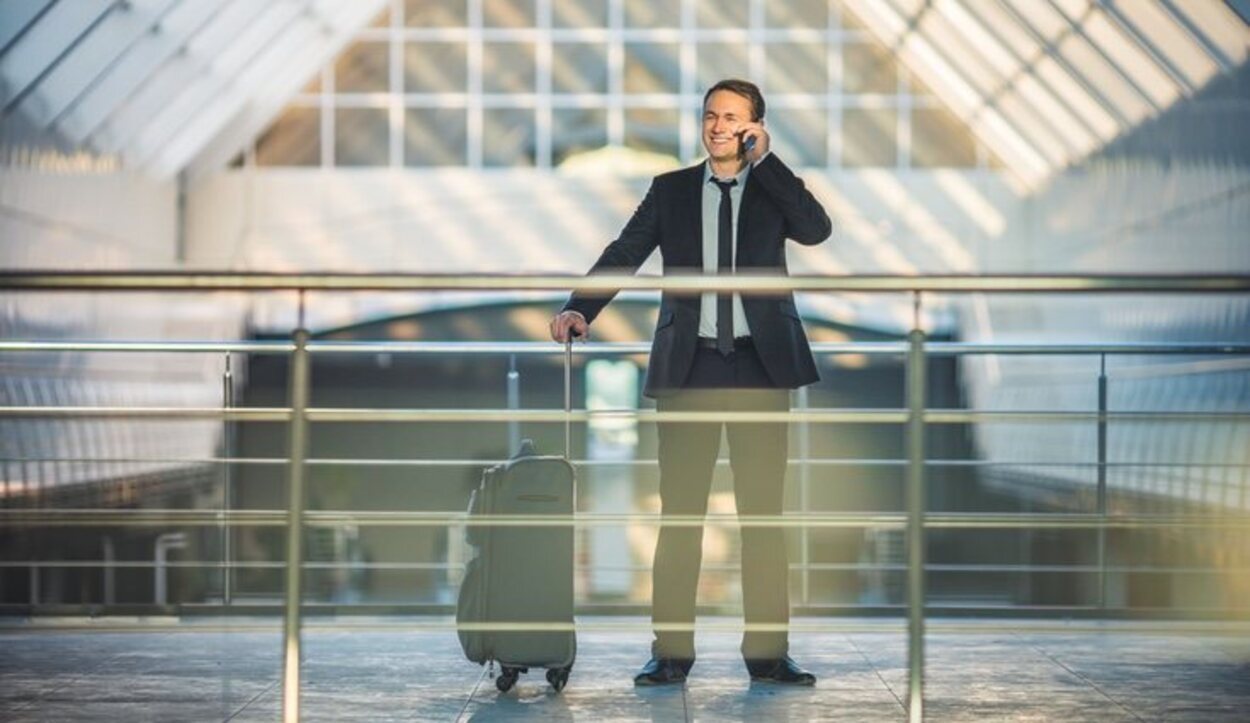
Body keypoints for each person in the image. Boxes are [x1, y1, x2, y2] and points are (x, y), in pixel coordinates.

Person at [549, 79, 832, 686]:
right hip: (690, 366)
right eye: (710, 115)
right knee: (680, 518)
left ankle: (767, 655)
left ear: (755, 126)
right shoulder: (671, 190)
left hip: (761, 367)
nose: (717, 126)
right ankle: (671, 654)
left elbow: (816, 230)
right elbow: (624, 250)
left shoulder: (773, 188)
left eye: (732, 117)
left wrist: (768, 163)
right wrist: (580, 308)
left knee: (763, 519)